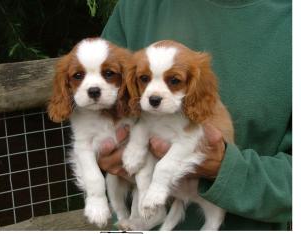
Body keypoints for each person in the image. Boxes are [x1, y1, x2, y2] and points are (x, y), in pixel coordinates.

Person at [97, 0, 292, 230]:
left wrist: (227, 169)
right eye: (144, 79)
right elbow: (95, 117)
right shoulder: (135, 8)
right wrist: (103, 148)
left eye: (174, 81)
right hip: (137, 219)